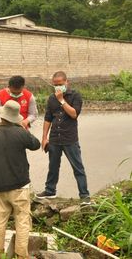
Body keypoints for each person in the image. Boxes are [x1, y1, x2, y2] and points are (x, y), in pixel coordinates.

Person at [0, 100, 41, 258]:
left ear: (2, 116)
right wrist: (23, 128)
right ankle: (21, 255)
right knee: (22, 222)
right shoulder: (20, 132)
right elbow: (36, 145)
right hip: (19, 186)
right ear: (16, 118)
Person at [36, 71, 91, 205]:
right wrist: (44, 138)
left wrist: (61, 100)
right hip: (55, 138)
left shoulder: (75, 95)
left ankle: (84, 195)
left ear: (67, 82)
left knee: (77, 167)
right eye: (55, 85)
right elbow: (48, 118)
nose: (58, 87)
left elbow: (74, 114)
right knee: (53, 166)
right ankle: (50, 190)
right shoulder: (51, 98)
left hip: (70, 138)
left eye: (60, 84)